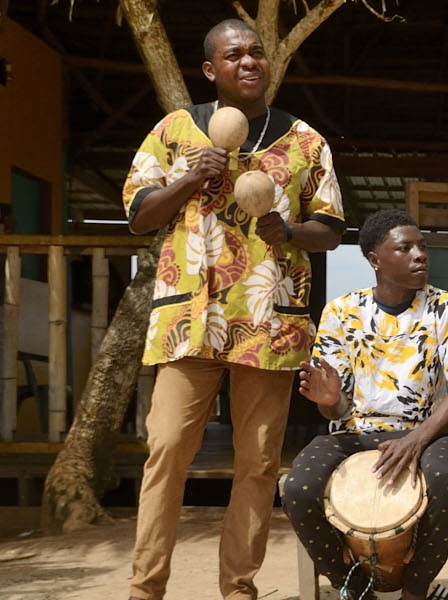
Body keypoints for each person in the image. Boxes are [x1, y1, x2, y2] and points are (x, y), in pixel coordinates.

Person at [121, 18, 345, 600]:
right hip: (188, 323)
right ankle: (146, 589)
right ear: (210, 69)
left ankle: (238, 589)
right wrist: (190, 179)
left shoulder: (304, 141)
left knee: (258, 464)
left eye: (255, 54)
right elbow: (140, 214)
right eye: (233, 55)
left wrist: (289, 229)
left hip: (269, 323)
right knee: (167, 450)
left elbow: (331, 230)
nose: (248, 62)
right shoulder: (174, 131)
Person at [282, 209, 448, 600]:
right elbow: (335, 409)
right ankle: (357, 588)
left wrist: (417, 440)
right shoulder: (342, 312)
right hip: (354, 431)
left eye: (422, 247)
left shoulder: (446, 308)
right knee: (299, 487)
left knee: (447, 476)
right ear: (375, 259)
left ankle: (415, 589)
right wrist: (331, 402)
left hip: (423, 431)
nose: (420, 255)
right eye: (405, 247)